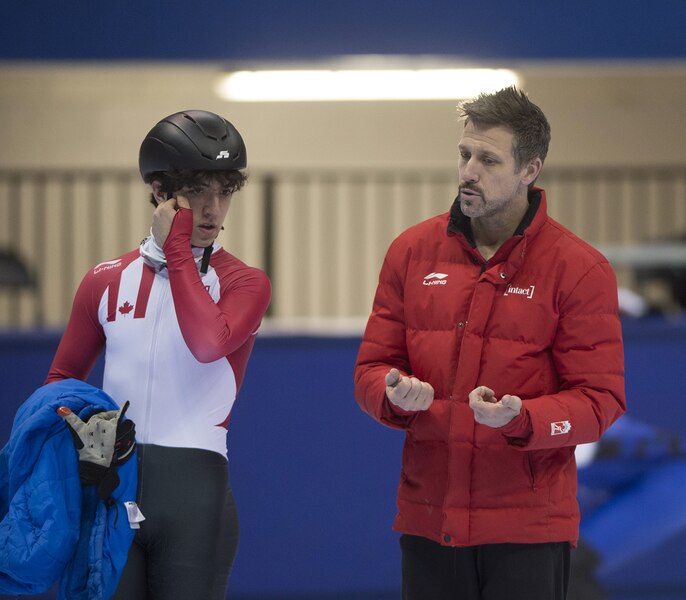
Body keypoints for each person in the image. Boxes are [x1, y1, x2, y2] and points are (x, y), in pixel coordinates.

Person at [353, 87, 626, 600]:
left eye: (488, 159)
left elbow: (600, 401)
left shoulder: (581, 269)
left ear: (530, 170)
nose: (468, 172)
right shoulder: (411, 252)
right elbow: (370, 369)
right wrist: (391, 394)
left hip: (528, 531)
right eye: (464, 154)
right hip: (429, 521)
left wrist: (523, 418)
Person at [46, 110, 271, 600]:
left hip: (195, 498)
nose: (213, 209)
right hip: (111, 489)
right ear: (159, 192)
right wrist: (75, 436)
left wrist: (174, 252)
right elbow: (61, 378)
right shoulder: (104, 279)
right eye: (198, 191)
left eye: (225, 191)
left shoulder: (244, 282)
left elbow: (208, 342)